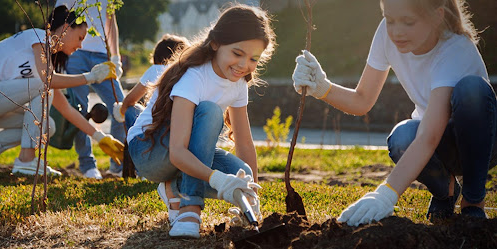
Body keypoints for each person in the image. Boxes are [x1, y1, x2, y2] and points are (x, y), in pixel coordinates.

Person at [292, 0, 494, 226]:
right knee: (402, 138)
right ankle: (445, 192)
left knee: (472, 91)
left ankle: (473, 201)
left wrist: (386, 193)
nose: (397, 31)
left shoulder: (455, 49)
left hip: (483, 143)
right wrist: (322, 88)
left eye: (408, 22)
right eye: (390, 20)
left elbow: (429, 137)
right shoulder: (386, 35)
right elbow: (362, 100)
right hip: (437, 143)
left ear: (437, 16)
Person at [126, 4, 276, 238]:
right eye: (237, 53)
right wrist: (218, 180)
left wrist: (251, 195)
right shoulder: (194, 76)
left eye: (253, 58)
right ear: (215, 44)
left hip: (183, 151)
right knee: (210, 111)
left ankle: (173, 187)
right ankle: (189, 209)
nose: (244, 65)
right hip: (149, 150)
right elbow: (177, 152)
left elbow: (245, 144)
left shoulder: (238, 83)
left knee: (241, 173)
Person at [0, 6, 123, 176]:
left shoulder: (44, 64)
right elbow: (48, 81)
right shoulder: (38, 37)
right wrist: (91, 77)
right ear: (65, 28)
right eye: (80, 38)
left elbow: (66, 110)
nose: (80, 46)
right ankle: (26, 161)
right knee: (44, 86)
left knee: (48, 125)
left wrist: (100, 137)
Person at [55, 0, 125, 179]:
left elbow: (111, 22)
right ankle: (87, 165)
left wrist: (115, 56)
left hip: (101, 54)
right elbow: (59, 21)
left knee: (120, 107)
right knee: (80, 109)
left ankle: (118, 166)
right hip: (75, 53)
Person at [112, 34, 190, 136]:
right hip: (179, 130)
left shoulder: (156, 69)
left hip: (154, 131)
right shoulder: (187, 72)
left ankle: (130, 142)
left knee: (132, 109)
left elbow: (130, 100)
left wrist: (121, 112)